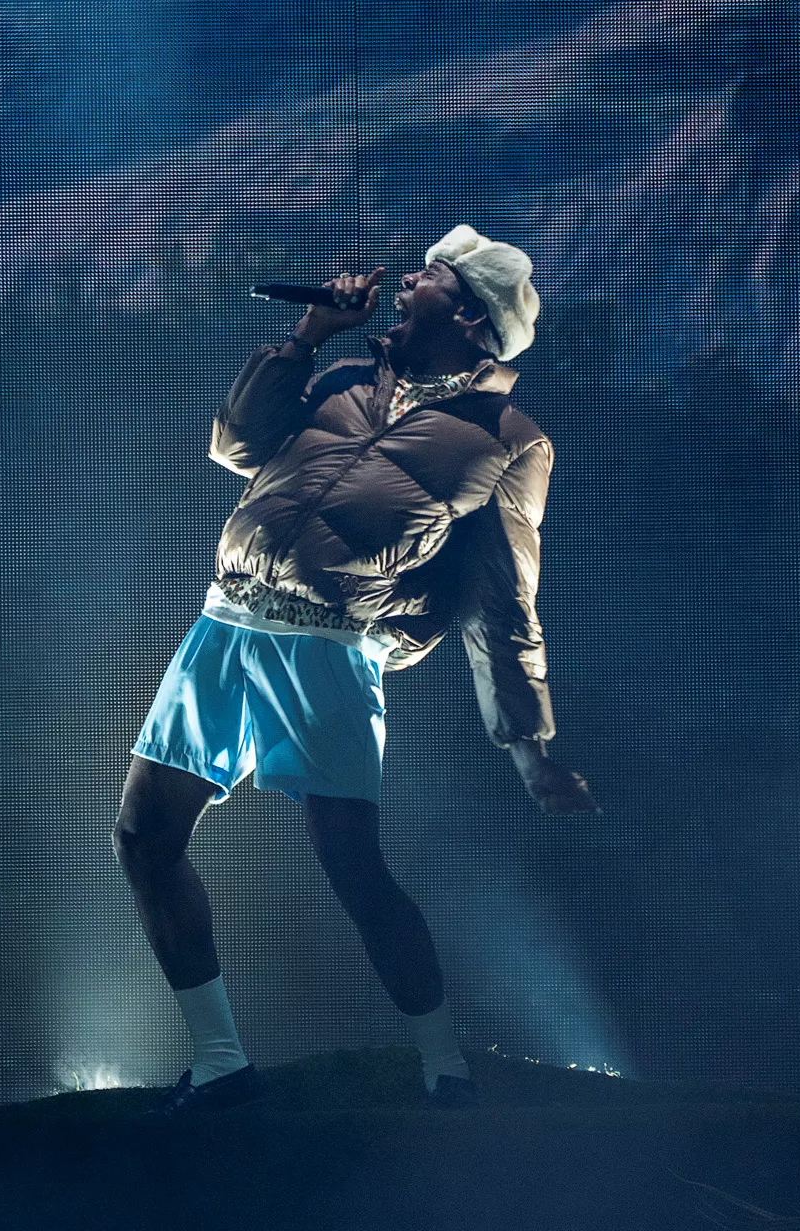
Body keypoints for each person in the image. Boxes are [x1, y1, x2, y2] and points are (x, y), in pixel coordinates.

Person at [115, 224, 599, 1118]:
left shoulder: (507, 440)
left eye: (430, 275)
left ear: (471, 318)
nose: (404, 279)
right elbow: (234, 447)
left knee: (354, 869)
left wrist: (529, 748)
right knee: (144, 835)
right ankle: (220, 1064)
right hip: (226, 620)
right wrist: (305, 339)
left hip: (332, 648)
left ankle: (446, 1069)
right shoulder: (341, 375)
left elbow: (504, 601)